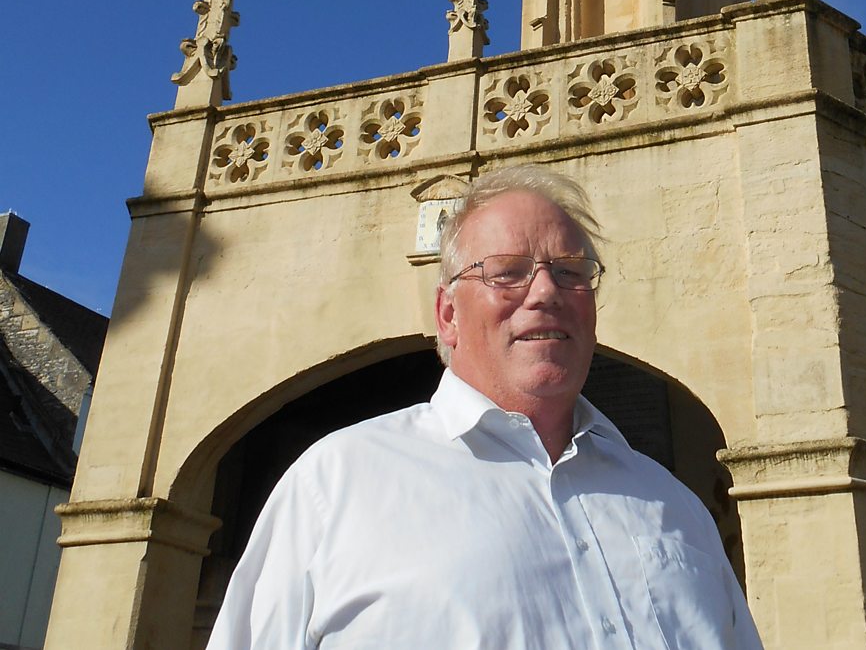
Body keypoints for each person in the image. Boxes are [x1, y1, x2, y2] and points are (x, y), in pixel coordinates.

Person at [207, 165, 763, 649]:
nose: (546, 291)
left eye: (570, 272)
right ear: (447, 314)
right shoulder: (335, 483)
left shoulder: (673, 504)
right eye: (507, 271)